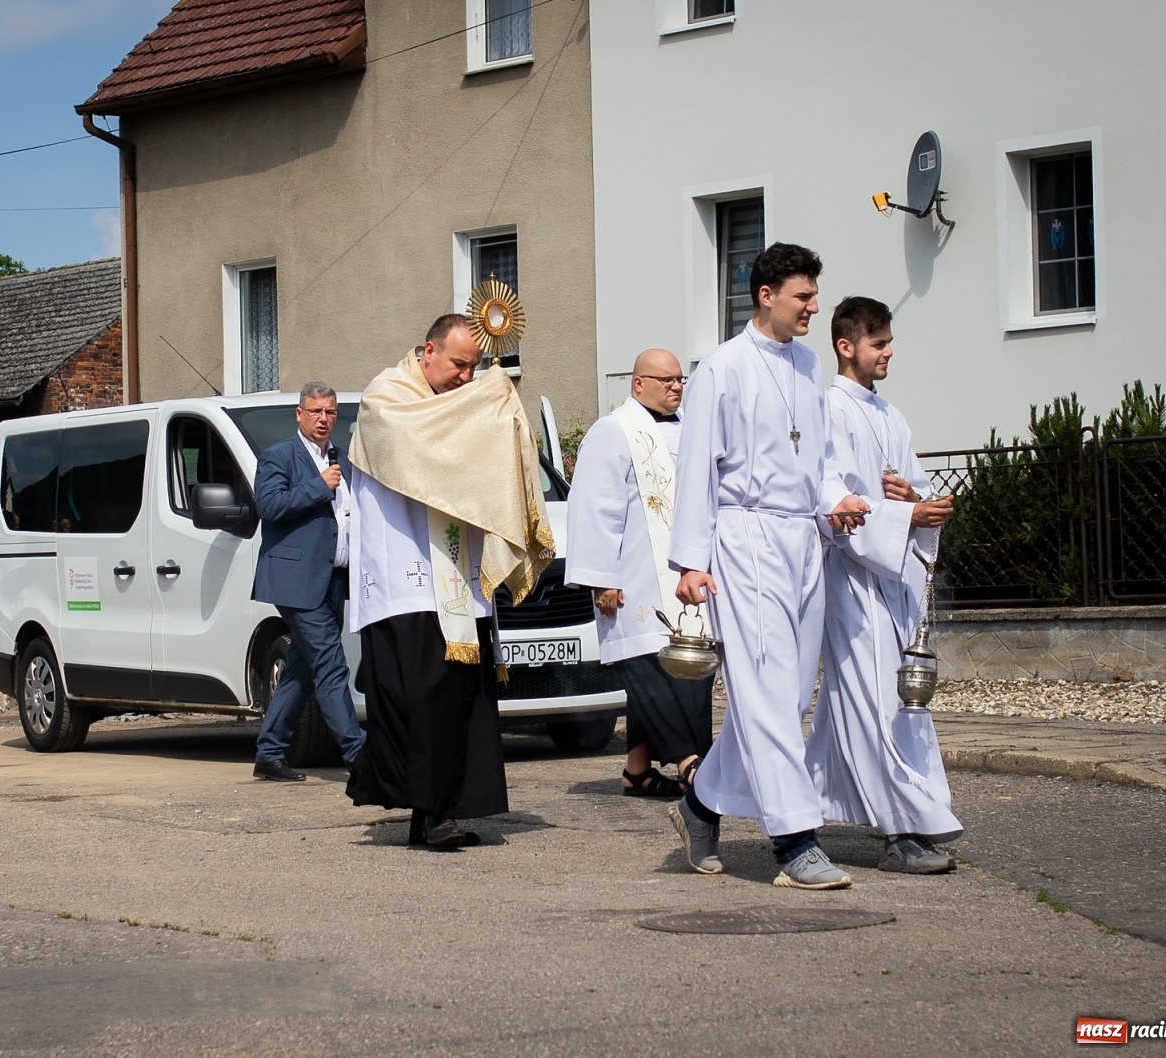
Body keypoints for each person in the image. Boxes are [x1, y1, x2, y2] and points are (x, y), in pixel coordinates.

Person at [665, 242, 869, 890]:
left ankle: (699, 805)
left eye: (814, 295)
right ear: (765, 295)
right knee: (761, 692)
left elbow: (823, 457)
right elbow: (695, 467)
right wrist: (690, 562)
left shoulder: (809, 367)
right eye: (804, 296)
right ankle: (794, 843)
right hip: (744, 538)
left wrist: (838, 499)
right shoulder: (721, 370)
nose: (814, 307)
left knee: (782, 698)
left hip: (805, 539)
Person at [344, 313, 553, 848]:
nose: (466, 376)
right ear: (426, 351)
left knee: (464, 700)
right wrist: (482, 402)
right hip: (405, 580)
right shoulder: (383, 398)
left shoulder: (456, 403)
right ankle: (426, 814)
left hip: (457, 575)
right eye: (459, 364)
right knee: (422, 700)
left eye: (474, 367)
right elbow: (421, 453)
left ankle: (453, 807)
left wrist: (497, 403)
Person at [804, 296, 962, 873]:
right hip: (852, 583)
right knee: (872, 701)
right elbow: (834, 500)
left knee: (872, 705)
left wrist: (920, 505)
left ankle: (803, 804)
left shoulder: (891, 415)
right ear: (846, 346)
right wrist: (903, 518)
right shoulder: (830, 410)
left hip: (891, 585)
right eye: (879, 343)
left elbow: (910, 489)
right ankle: (901, 830)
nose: (888, 351)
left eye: (889, 341)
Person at [566, 348, 715, 797]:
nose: (675, 386)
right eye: (665, 379)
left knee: (689, 669)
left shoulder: (690, 431)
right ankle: (691, 762)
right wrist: (601, 578)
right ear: (638, 384)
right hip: (633, 581)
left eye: (679, 380)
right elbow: (594, 509)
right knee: (652, 675)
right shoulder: (612, 432)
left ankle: (636, 769)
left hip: (681, 579)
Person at [250, 381, 367, 782]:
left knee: (301, 667)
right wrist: (319, 486)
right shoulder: (277, 456)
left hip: (334, 579)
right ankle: (359, 756)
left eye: (330, 412)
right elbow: (269, 505)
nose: (323, 419)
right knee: (331, 666)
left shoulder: (343, 460)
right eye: (316, 412)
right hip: (296, 582)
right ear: (299, 414)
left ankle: (269, 753)